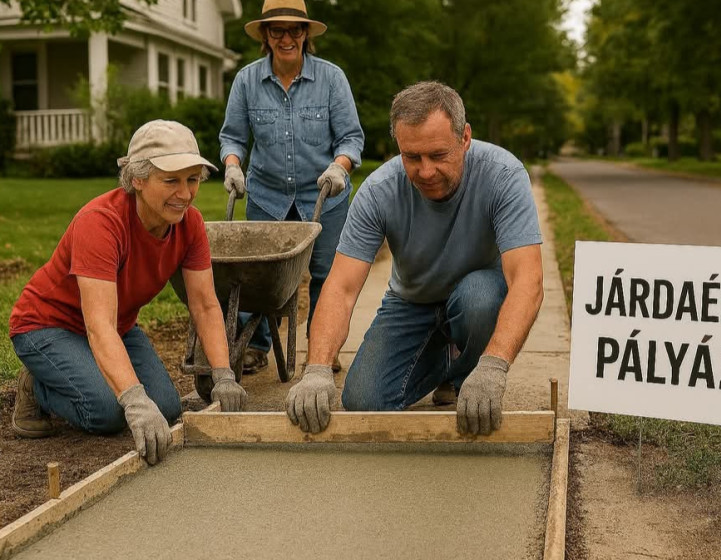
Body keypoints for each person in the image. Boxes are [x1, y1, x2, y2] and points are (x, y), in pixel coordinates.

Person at [286, 82, 544, 435]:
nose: (425, 171)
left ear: (464, 138)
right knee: (365, 401)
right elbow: (341, 287)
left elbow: (528, 281)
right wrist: (316, 369)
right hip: (412, 303)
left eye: (438, 155)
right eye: (412, 157)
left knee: (479, 300)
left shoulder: (503, 175)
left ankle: (467, 371)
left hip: (477, 297)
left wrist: (494, 366)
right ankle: (444, 362)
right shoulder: (379, 191)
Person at [9, 120, 247, 465]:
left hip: (114, 325)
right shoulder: (100, 223)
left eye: (192, 179)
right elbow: (98, 326)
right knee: (107, 412)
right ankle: (38, 386)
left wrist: (223, 374)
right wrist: (133, 401)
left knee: (165, 407)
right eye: (171, 180)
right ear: (137, 178)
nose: (185, 194)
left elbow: (206, 305)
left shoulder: (189, 224)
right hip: (47, 326)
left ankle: (76, 374)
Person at [219, 0, 364, 375]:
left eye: (294, 30)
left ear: (306, 34)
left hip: (324, 195)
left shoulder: (332, 78)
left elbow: (351, 138)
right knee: (256, 276)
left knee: (327, 274)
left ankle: (323, 346)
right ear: (265, 36)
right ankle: (254, 345)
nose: (286, 38)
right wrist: (233, 166)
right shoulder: (247, 81)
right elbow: (232, 137)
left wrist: (339, 166)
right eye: (277, 30)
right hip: (267, 196)